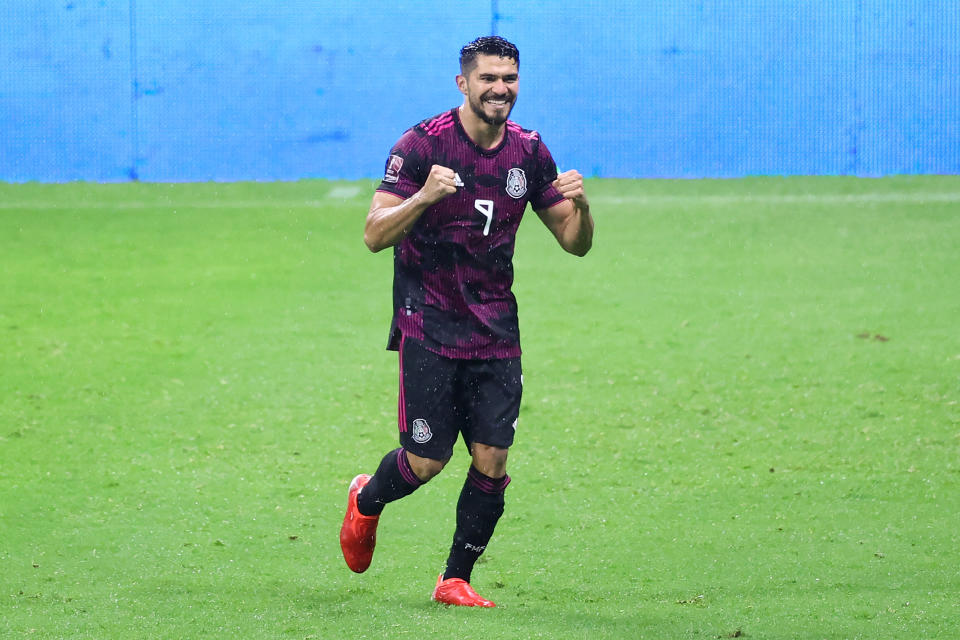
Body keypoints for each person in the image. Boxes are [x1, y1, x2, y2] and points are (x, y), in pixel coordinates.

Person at [339, 35, 594, 607]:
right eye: (488, 79)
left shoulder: (528, 152)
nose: (500, 89)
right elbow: (374, 236)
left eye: (509, 79)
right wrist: (424, 196)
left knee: (493, 458)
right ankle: (367, 500)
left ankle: (454, 579)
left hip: (497, 331)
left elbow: (574, 244)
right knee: (426, 462)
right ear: (463, 83)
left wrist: (582, 206)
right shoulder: (421, 145)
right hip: (428, 324)